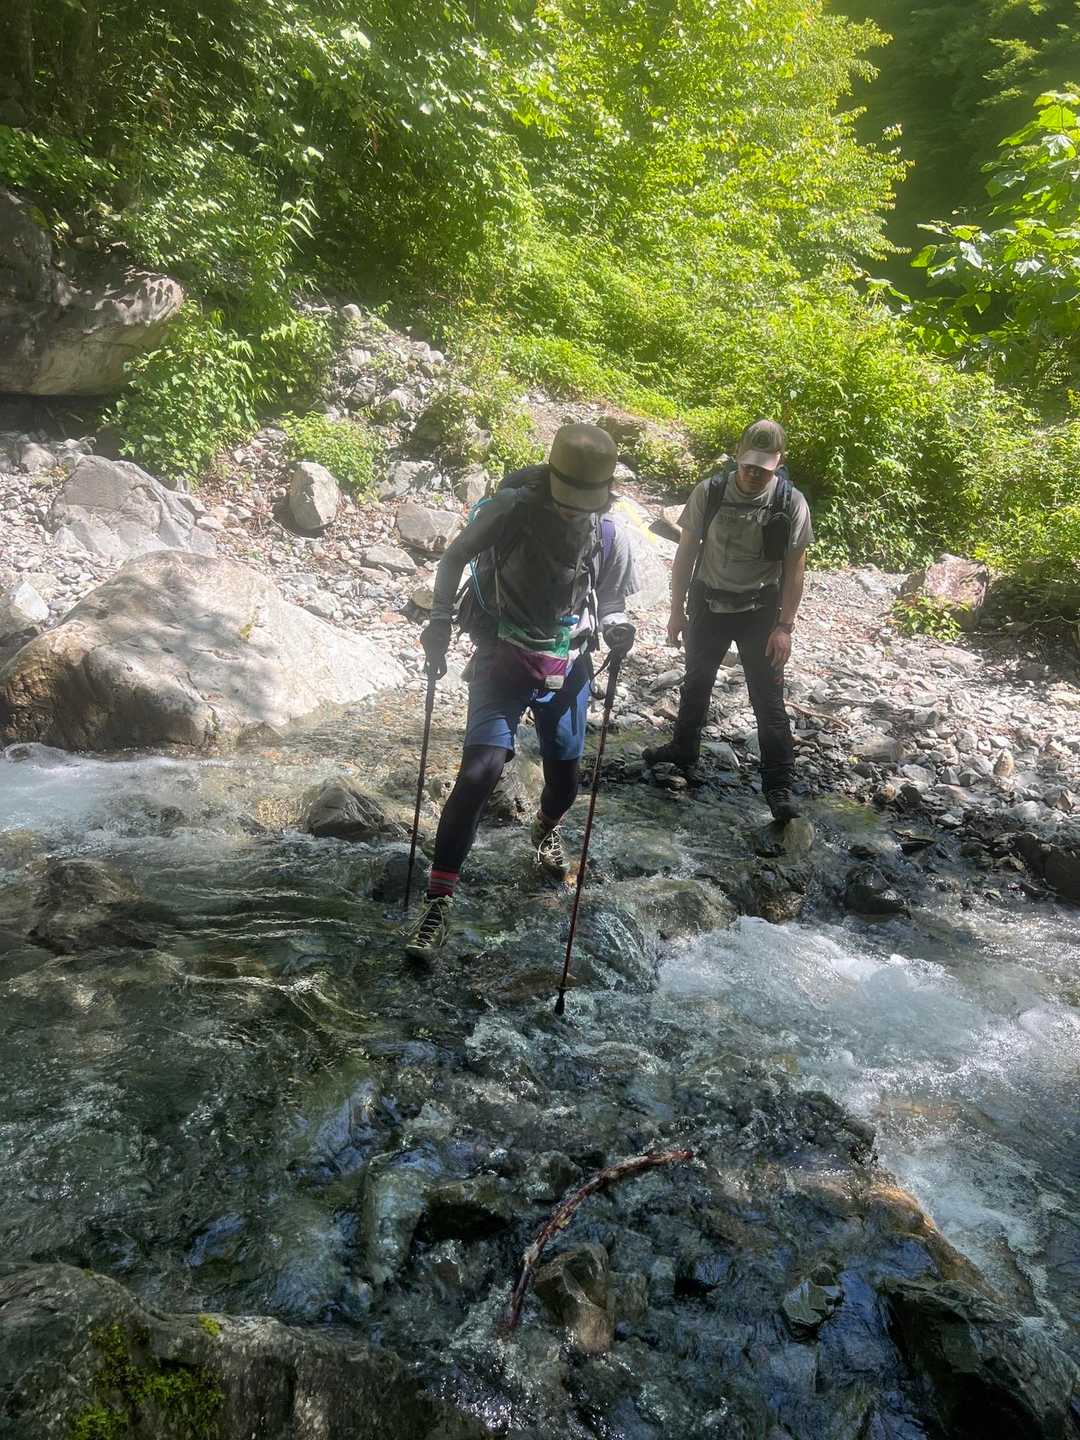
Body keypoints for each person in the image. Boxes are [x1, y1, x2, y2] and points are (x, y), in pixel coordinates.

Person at [403, 422, 638, 958]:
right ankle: (438, 902)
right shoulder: (510, 510)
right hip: (501, 653)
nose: (574, 512)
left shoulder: (610, 532)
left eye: (584, 504)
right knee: (479, 772)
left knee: (565, 782)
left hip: (568, 661)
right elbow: (453, 558)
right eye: (567, 501)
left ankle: (545, 828)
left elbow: (612, 602)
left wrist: (618, 628)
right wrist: (439, 619)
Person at [644, 418, 812, 822]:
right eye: (748, 465)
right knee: (696, 682)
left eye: (763, 468)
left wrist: (785, 626)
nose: (753, 474)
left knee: (767, 699)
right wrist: (676, 610)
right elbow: (686, 553)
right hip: (707, 603)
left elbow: (796, 568)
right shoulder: (710, 491)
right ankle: (684, 750)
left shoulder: (791, 502)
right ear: (737, 455)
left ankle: (778, 787)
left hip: (760, 612)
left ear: (779, 462)